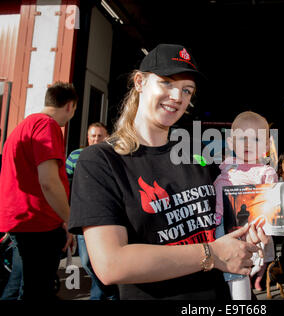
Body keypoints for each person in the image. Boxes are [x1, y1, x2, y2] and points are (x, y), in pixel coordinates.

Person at [68, 44, 267, 300]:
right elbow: (111, 264)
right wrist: (212, 254)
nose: (177, 96)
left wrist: (259, 234)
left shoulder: (198, 157)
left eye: (187, 90)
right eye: (166, 83)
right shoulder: (100, 161)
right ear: (139, 82)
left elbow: (230, 227)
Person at [0, 82, 77, 300]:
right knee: (36, 291)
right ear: (70, 106)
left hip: (21, 222)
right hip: (38, 225)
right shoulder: (47, 125)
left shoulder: (21, 127)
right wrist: (70, 220)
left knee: (17, 287)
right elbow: (49, 182)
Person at [214, 111, 277, 298]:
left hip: (254, 228)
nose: (248, 144)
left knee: (242, 273)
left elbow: (272, 206)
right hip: (224, 227)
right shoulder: (226, 166)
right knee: (233, 275)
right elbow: (217, 191)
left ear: (266, 146)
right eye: (242, 138)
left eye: (256, 139)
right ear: (231, 143)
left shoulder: (266, 172)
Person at [65, 122, 119, 300]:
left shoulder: (113, 155)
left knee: (104, 260)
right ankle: (108, 292)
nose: (96, 139)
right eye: (93, 136)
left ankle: (103, 295)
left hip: (105, 216)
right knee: (87, 261)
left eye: (100, 136)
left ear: (107, 137)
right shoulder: (75, 156)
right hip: (83, 215)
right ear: (87, 138)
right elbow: (65, 184)